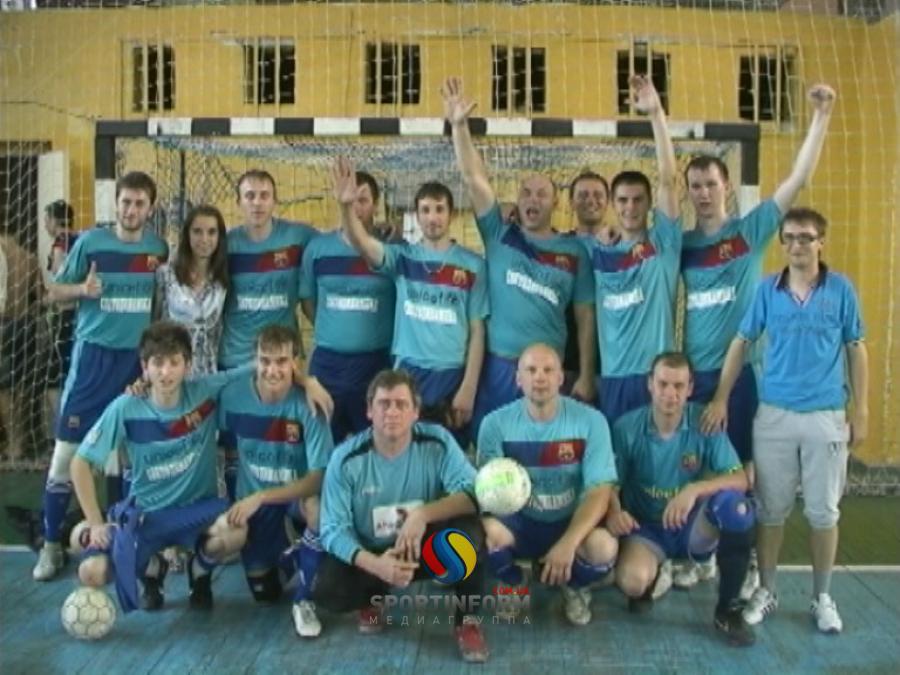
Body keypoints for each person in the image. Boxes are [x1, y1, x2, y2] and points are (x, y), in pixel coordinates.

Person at [676, 85, 836, 591]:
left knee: (746, 471)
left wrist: (821, 115)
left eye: (711, 183)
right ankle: (699, 554)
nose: (704, 192)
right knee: (696, 467)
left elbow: (798, 178)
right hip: (694, 376)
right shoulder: (682, 245)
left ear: (727, 187)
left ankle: (743, 563)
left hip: (741, 377)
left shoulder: (750, 231)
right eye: (695, 185)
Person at [701, 208, 867, 635]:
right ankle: (767, 590)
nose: (797, 245)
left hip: (826, 417)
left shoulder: (841, 290)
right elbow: (741, 342)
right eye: (789, 237)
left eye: (806, 237)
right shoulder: (766, 291)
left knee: (823, 512)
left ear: (821, 242)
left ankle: (822, 597)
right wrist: (721, 396)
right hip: (773, 416)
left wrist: (861, 410)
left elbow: (856, 348)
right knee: (770, 510)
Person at [33, 171, 168, 581]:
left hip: (133, 364)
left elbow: (159, 307)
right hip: (92, 363)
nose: (131, 210)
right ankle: (51, 545)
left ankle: (123, 544)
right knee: (65, 457)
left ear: (150, 208)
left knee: (126, 459)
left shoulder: (157, 249)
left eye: (139, 203)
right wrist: (82, 291)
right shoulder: (91, 242)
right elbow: (52, 292)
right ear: (117, 203)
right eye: (125, 202)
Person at [443, 76, 596, 434]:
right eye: (526, 192)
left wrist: (587, 374)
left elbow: (586, 318)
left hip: (548, 372)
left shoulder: (573, 252)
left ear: (556, 203)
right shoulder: (500, 233)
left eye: (542, 194)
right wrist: (459, 127)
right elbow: (473, 177)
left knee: (542, 449)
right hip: (499, 368)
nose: (532, 199)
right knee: (492, 450)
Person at [70, 322, 248, 613]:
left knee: (236, 530)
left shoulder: (205, 393)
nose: (166, 372)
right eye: (158, 363)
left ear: (187, 365)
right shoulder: (126, 407)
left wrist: (306, 380)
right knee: (92, 571)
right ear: (144, 366)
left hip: (196, 510)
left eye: (174, 363)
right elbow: (80, 463)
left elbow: (258, 370)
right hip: (148, 516)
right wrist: (95, 522)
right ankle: (152, 569)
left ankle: (199, 572)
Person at [314, 369, 489, 663]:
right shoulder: (345, 459)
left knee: (469, 534)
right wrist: (377, 565)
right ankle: (374, 596)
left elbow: (476, 493)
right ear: (369, 411)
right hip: (373, 552)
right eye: (384, 404)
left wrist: (422, 515)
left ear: (415, 412)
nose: (392, 412)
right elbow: (332, 530)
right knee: (328, 589)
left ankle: (467, 622)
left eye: (401, 404)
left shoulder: (438, 442)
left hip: (422, 549)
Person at [335, 157, 488, 444]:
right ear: (417, 216)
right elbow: (362, 243)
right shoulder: (403, 258)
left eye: (439, 209)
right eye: (425, 210)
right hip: (408, 370)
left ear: (452, 215)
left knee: (447, 453)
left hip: (451, 374)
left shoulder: (472, 266)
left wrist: (469, 386)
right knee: (403, 449)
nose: (432, 217)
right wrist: (346, 208)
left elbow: (478, 330)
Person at [610, 352, 756, 647]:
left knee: (737, 508)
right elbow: (608, 484)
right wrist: (614, 511)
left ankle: (727, 610)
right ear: (650, 384)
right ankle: (651, 575)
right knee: (630, 581)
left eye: (678, 386)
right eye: (663, 384)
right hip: (646, 529)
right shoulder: (626, 428)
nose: (670, 393)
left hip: (691, 527)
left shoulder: (705, 422)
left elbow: (741, 479)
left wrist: (694, 490)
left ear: (690, 388)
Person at [477, 343, 618, 626]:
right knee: (481, 534)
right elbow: (486, 494)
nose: (539, 377)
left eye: (548, 370)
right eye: (531, 370)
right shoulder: (494, 424)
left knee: (604, 548)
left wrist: (568, 542)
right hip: (518, 524)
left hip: (569, 522)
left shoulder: (592, 421)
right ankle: (514, 581)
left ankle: (574, 586)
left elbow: (600, 491)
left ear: (561, 378)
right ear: (518, 378)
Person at [219, 325, 333, 637]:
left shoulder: (310, 404)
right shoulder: (232, 397)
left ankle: (303, 599)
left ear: (296, 363)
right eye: (265, 361)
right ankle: (296, 553)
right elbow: (221, 446)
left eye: (281, 361)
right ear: (254, 361)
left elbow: (318, 479)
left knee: (319, 510)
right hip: (253, 504)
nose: (272, 370)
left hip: (294, 499)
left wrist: (263, 496)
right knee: (265, 594)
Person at [587, 76, 681, 425]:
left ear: (649, 203)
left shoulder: (663, 243)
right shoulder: (598, 249)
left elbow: (668, 179)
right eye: (623, 200)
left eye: (638, 200)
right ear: (612, 204)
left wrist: (656, 114)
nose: (630, 207)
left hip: (655, 379)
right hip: (612, 379)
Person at [299, 170, 396, 443]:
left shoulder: (391, 251)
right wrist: (336, 331)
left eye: (362, 200)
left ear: (376, 205)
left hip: (375, 364)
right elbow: (308, 301)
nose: (356, 207)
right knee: (324, 445)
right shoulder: (317, 250)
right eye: (350, 200)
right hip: (327, 365)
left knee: (374, 445)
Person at [218, 169, 318, 371]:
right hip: (236, 360)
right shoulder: (225, 245)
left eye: (264, 195)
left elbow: (339, 244)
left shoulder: (298, 237)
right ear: (238, 202)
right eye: (250, 196)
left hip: (282, 359)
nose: (257, 203)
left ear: (275, 201)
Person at [155, 205, 229, 376]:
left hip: (208, 376)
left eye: (212, 232)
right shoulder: (166, 275)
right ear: (187, 234)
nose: (204, 239)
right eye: (197, 231)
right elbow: (154, 324)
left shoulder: (223, 280)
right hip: (170, 374)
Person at [0, 231, 45, 461]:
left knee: (4, 387)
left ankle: (12, 443)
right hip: (25, 324)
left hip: (3, 324)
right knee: (23, 384)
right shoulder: (29, 257)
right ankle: (20, 440)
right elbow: (41, 296)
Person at [43, 199, 79, 432]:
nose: (45, 224)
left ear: (55, 220)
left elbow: (60, 284)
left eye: (46, 219)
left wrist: (47, 299)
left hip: (66, 317)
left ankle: (61, 429)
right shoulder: (80, 240)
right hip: (81, 316)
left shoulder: (60, 243)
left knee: (54, 378)